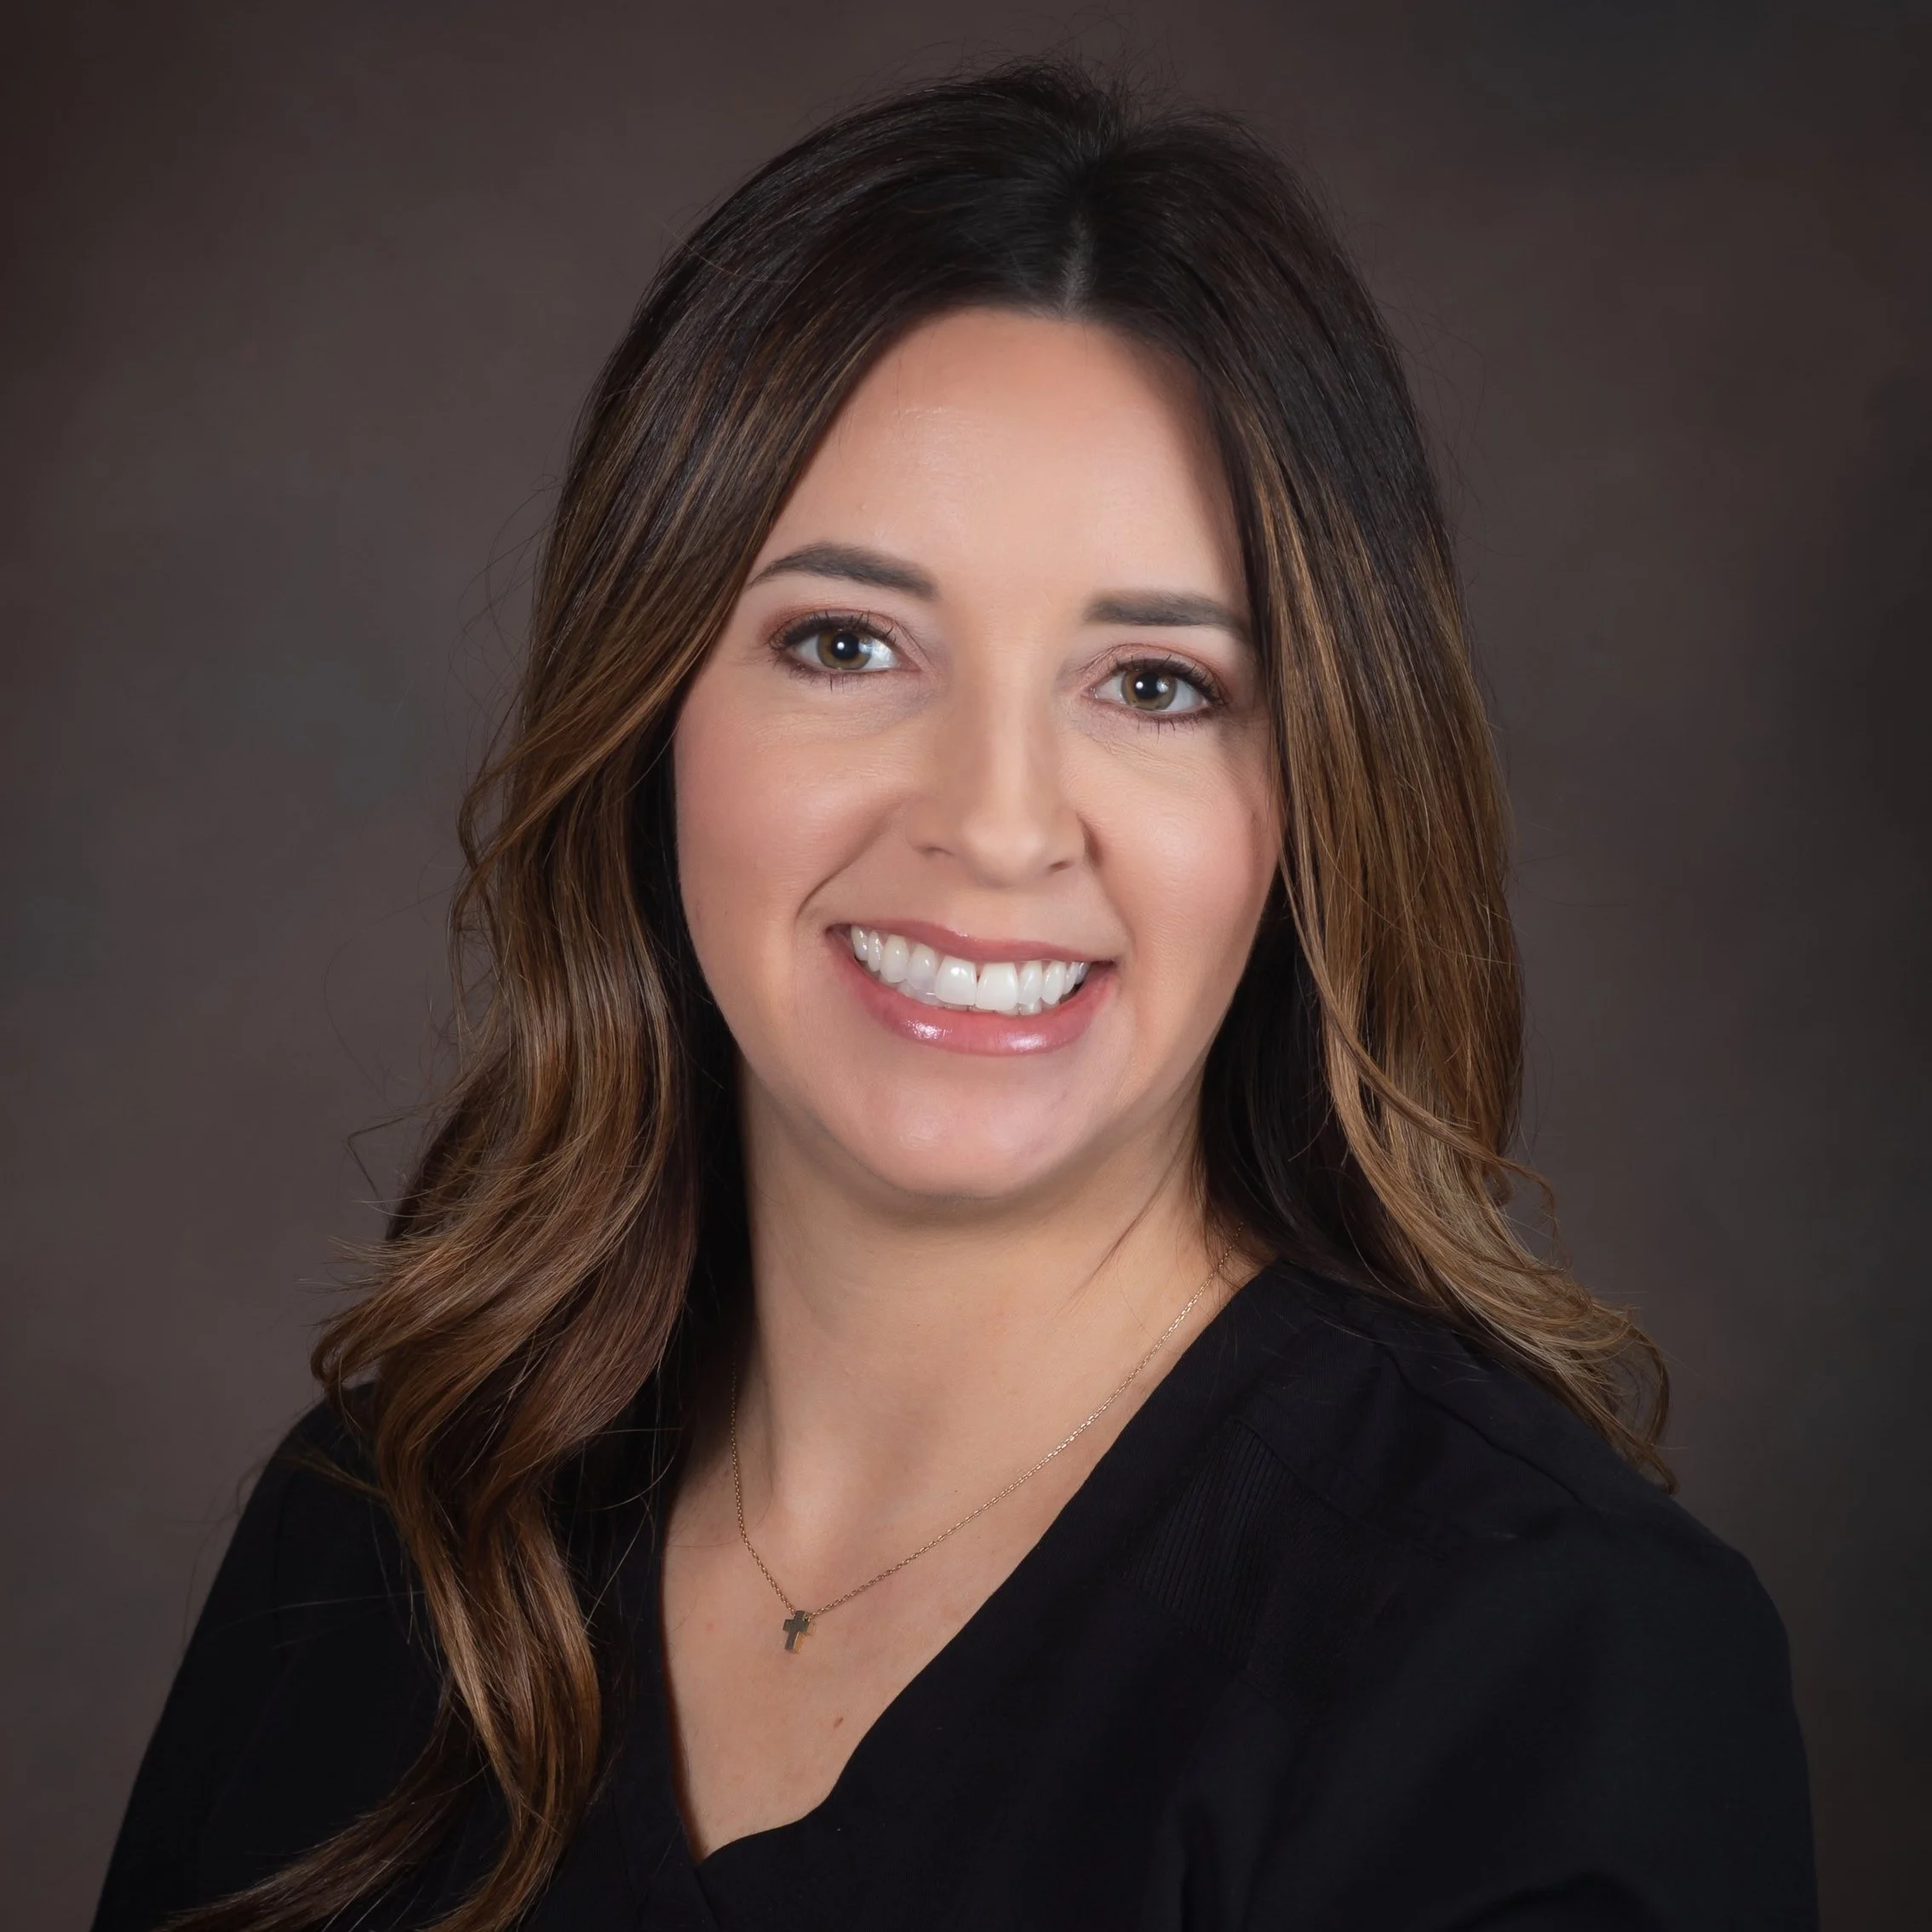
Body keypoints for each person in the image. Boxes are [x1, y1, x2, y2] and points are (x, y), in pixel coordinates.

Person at [93, 60, 1816, 1932]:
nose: (996, 827)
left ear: (1315, 791)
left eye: (1154, 683)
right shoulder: (391, 1521)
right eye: (848, 645)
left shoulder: (1544, 1658)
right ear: (652, 711)